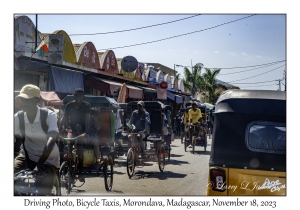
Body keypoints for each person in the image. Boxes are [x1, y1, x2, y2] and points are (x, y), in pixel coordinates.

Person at [14, 84, 60, 195]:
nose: (23, 103)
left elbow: (51, 139)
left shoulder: (49, 115)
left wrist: (40, 163)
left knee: (43, 191)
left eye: (27, 100)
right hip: (27, 154)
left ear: (37, 100)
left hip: (48, 158)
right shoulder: (18, 117)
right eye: (22, 99)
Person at [60, 88, 91, 181]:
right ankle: (66, 169)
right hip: (72, 130)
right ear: (74, 96)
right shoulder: (69, 105)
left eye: (80, 96)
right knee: (68, 146)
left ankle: (81, 171)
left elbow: (88, 119)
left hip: (83, 130)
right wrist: (59, 129)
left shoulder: (86, 105)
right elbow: (64, 118)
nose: (78, 97)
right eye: (76, 96)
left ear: (83, 97)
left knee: (80, 149)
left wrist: (87, 132)